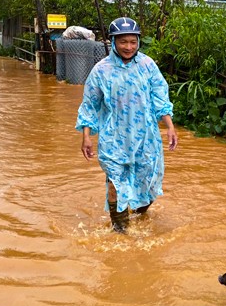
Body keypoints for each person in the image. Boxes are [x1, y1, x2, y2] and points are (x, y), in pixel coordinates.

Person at [76, 17, 178, 233]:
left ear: (138, 41)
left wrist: (169, 126)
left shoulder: (148, 66)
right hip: (113, 138)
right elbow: (90, 105)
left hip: (146, 138)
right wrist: (86, 136)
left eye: (133, 42)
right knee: (114, 184)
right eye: (123, 42)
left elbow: (160, 97)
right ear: (113, 41)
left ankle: (140, 216)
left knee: (148, 184)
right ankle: (120, 230)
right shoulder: (100, 70)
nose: (128, 47)